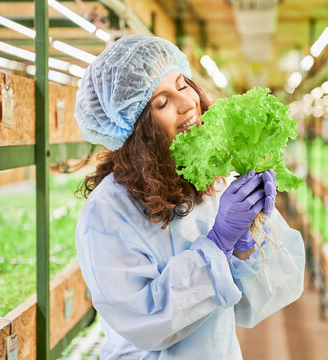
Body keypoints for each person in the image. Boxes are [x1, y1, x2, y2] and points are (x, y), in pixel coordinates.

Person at [74, 34, 305, 359]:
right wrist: (217, 245)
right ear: (133, 129)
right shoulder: (107, 212)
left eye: (183, 86)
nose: (187, 104)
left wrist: (246, 245)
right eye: (162, 102)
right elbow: (148, 321)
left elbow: (266, 292)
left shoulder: (209, 179)